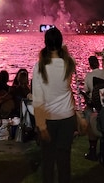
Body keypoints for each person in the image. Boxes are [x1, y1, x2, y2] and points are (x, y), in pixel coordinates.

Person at [32, 27, 86, 183]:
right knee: (64, 160)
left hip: (48, 119)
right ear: (61, 42)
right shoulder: (69, 63)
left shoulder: (40, 67)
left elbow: (38, 99)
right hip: (67, 118)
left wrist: (41, 125)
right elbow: (66, 53)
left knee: (47, 160)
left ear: (45, 43)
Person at [83, 55, 104, 161]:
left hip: (95, 104)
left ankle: (92, 150)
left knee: (88, 114)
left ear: (90, 65)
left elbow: (86, 89)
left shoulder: (89, 75)